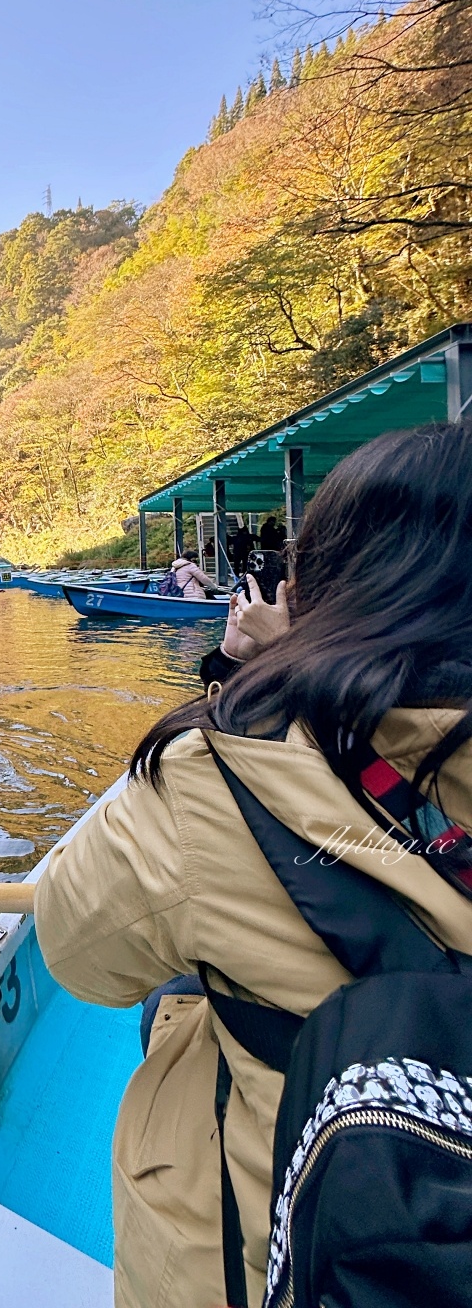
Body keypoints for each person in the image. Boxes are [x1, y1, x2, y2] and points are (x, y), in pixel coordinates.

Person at [35, 422, 472, 1308]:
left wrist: (250, 677)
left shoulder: (213, 775)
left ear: (329, 585)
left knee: (167, 996)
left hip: (259, 1249)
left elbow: (75, 951)